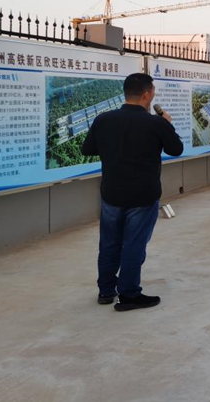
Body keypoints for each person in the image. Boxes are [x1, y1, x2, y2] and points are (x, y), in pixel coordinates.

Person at [82, 73, 184, 312]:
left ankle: (106, 290)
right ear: (147, 95)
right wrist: (167, 125)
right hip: (143, 195)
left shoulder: (103, 119)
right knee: (133, 245)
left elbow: (88, 149)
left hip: (111, 193)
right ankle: (129, 294)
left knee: (109, 244)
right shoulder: (156, 123)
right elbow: (176, 149)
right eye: (153, 91)